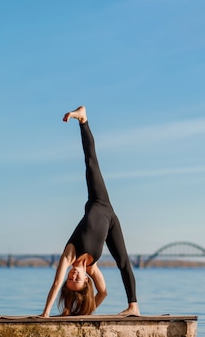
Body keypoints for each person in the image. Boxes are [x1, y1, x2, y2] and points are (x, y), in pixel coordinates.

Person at [40, 106, 140, 317]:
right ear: (86, 279)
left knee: (91, 162)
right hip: (111, 219)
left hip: (98, 200)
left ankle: (83, 119)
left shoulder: (70, 254)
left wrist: (45, 314)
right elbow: (103, 292)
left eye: (71, 278)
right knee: (123, 262)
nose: (73, 275)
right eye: (77, 279)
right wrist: (86, 313)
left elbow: (57, 282)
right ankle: (134, 306)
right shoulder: (92, 269)